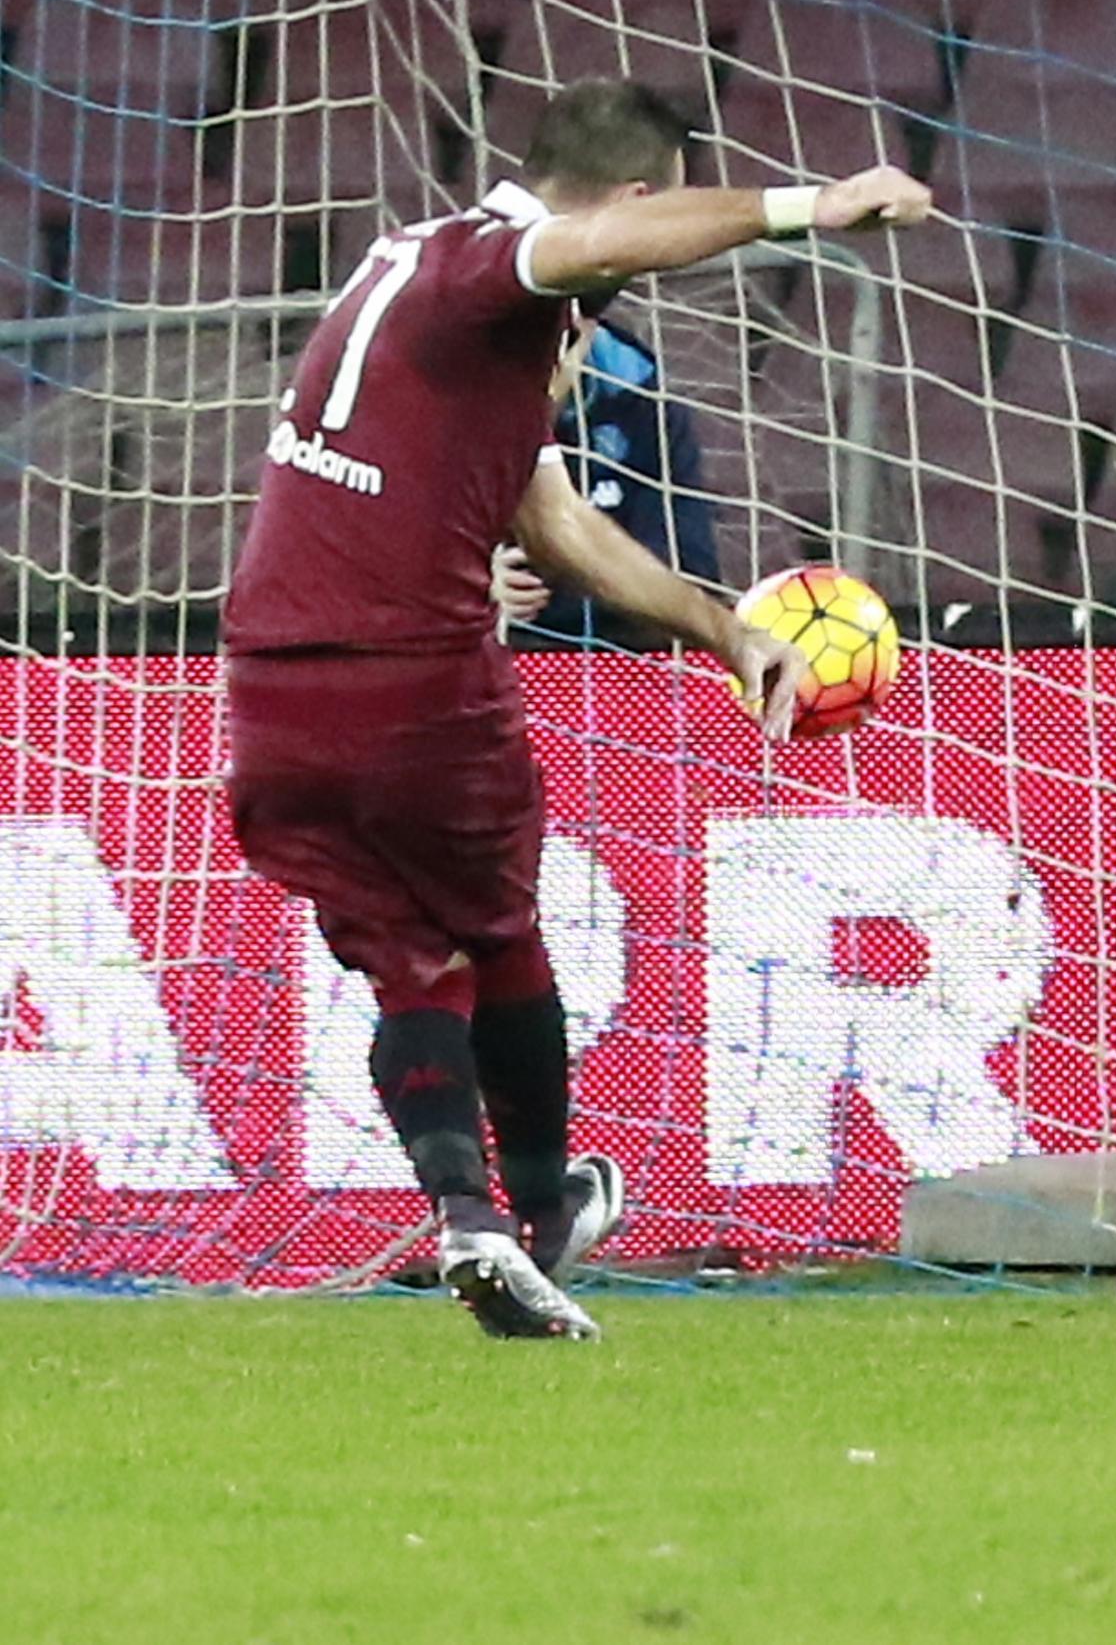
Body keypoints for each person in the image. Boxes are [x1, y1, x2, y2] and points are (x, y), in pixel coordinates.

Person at [221, 79, 934, 1339]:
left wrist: (727, 629)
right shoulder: (502, 267)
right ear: (640, 196)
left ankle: (470, 1220)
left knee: (407, 960)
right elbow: (592, 243)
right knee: (501, 934)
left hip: (271, 685)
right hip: (415, 677)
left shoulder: (415, 271)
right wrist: (807, 207)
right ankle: (548, 1207)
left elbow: (553, 521)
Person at [489, 315, 720, 643]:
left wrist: (585, 570)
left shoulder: (638, 398)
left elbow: (693, 568)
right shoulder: (442, 404)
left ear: (588, 328)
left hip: (620, 650)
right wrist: (469, 588)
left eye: (568, 339)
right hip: (490, 646)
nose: (550, 358)